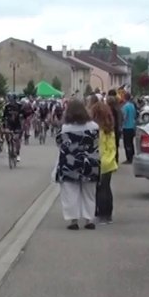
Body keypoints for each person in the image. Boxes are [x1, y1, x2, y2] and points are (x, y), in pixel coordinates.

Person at [55, 98, 100, 230]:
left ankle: (73, 220)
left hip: (70, 164)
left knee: (70, 193)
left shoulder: (65, 128)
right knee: (89, 193)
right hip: (90, 164)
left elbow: (59, 144)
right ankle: (89, 219)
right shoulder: (94, 127)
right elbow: (97, 143)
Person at [91, 99, 117, 224]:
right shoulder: (109, 128)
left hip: (100, 161)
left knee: (100, 189)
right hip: (110, 161)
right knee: (107, 188)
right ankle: (108, 215)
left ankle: (101, 214)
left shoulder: (96, 130)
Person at [121, 91, 138, 163]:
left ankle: (129, 158)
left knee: (127, 144)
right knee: (131, 143)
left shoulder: (125, 107)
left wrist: (121, 124)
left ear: (124, 98)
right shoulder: (132, 105)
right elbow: (134, 115)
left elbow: (124, 117)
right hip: (132, 126)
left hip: (126, 127)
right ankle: (132, 156)